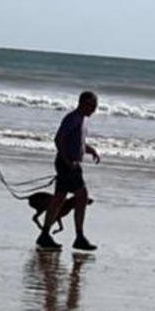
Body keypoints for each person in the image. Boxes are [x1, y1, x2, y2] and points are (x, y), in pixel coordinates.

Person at [37, 90, 100, 251]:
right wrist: (66, 161)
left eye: (95, 106)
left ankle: (45, 235)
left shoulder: (83, 120)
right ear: (81, 103)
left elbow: (77, 144)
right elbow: (58, 139)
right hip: (68, 164)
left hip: (71, 164)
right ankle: (78, 237)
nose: (93, 109)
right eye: (90, 105)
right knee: (81, 196)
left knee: (59, 199)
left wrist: (90, 150)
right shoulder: (72, 118)